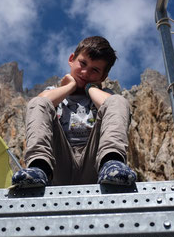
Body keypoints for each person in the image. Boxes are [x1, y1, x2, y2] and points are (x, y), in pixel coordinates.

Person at [11, 36, 137, 188]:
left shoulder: (103, 95)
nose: (85, 72)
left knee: (118, 101)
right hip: (58, 165)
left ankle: (112, 164)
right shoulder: (55, 93)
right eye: (83, 63)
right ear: (71, 59)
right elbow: (40, 102)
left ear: (103, 77)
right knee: (38, 103)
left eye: (94, 70)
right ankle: (39, 168)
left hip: (94, 165)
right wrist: (69, 87)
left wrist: (89, 88)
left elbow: (113, 105)